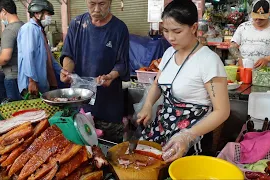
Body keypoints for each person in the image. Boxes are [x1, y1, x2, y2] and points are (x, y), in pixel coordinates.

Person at [137, 0, 230, 163]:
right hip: (162, 129)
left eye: (177, 31)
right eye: (165, 31)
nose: (170, 37)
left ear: (193, 28)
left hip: (193, 137)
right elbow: (157, 85)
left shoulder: (208, 60)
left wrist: (187, 136)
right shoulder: (168, 53)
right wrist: (147, 105)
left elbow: (222, 111)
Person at [59, 0, 129, 143]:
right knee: (83, 152)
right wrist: (67, 71)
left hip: (108, 106)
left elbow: (122, 63)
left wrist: (111, 76)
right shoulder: (77, 24)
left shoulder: (119, 28)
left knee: (110, 152)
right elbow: (68, 55)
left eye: (102, 4)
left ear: (110, 2)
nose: (96, 9)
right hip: (81, 106)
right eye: (92, 3)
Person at [17, 0, 62, 97]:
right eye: (48, 14)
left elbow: (49, 57)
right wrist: (32, 80)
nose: (49, 17)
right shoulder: (29, 29)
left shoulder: (39, 30)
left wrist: (61, 71)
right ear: (37, 14)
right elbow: (28, 56)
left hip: (41, 85)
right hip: (32, 87)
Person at [229, 0, 270, 68]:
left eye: (261, 19)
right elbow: (232, 46)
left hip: (265, 73)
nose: (257, 21)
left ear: (269, 13)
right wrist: (238, 58)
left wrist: (267, 59)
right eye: (255, 17)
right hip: (244, 71)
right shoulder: (243, 27)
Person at [0, 0, 24, 101]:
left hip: (13, 77)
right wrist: (1, 53)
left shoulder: (9, 30)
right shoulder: (23, 26)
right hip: (25, 76)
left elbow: (5, 58)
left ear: (4, 11)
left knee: (16, 109)